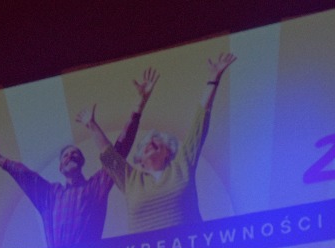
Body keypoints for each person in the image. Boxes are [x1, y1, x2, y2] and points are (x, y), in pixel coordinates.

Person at [0, 69, 158, 248]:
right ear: (60, 167)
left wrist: (138, 107)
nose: (71, 155)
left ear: (82, 162)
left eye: (75, 154)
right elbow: (26, 175)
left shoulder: (95, 187)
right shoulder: (50, 195)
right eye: (66, 155)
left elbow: (118, 153)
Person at [78, 52, 236, 232]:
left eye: (158, 141)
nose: (151, 142)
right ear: (140, 160)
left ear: (168, 152)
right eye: (145, 144)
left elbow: (199, 125)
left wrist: (213, 79)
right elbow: (110, 156)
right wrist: (92, 125)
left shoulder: (182, 164)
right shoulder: (131, 180)